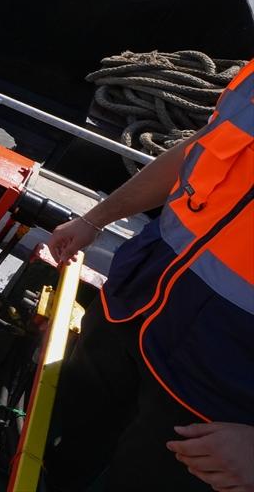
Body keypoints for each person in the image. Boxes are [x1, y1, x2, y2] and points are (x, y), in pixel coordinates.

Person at [43, 58, 254, 491]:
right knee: (65, 429)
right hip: (134, 305)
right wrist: (95, 219)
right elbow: (204, 146)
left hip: (216, 386)